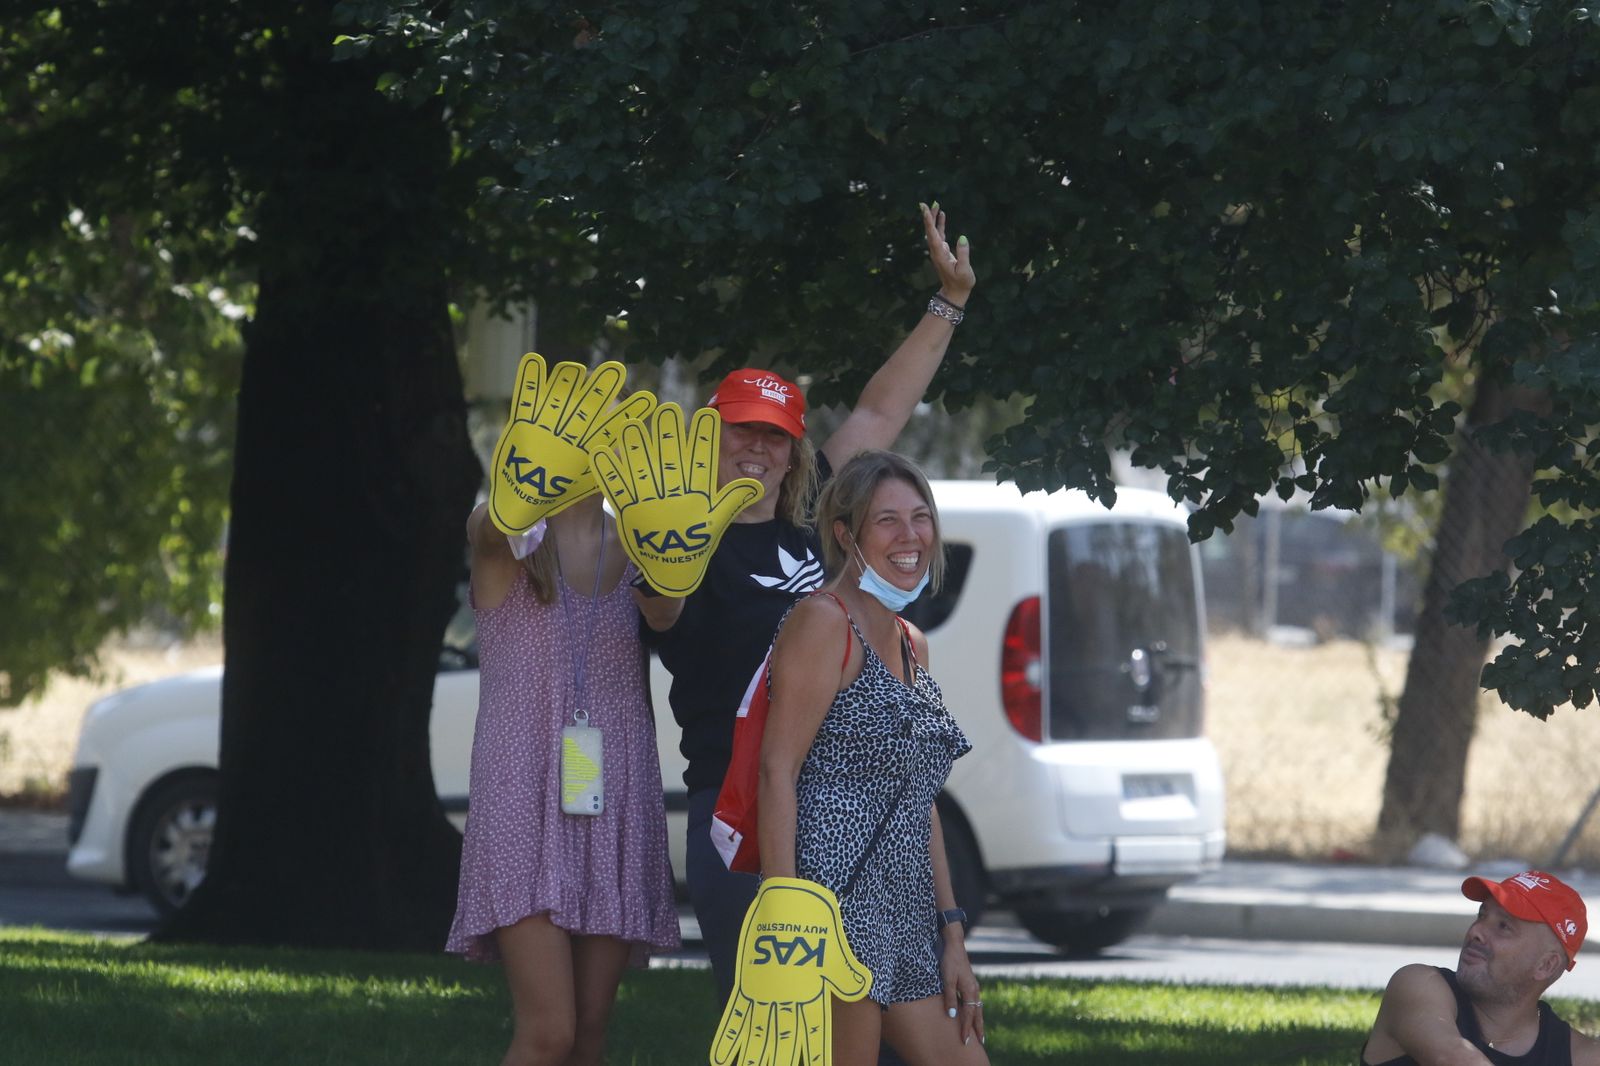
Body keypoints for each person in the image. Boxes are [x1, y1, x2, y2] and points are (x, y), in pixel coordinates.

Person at [633, 202, 976, 1007]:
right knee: (777, 1038)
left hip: (847, 806)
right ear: (707, 437)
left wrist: (948, 302)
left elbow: (880, 412)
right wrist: (660, 568)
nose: (756, 448)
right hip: (745, 812)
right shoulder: (679, 543)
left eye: (773, 436)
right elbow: (660, 613)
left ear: (793, 452)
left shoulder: (812, 524)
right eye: (739, 432)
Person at [756, 450, 987, 1064]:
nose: (910, 536)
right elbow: (777, 769)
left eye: (920, 517)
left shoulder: (914, 644)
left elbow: (919, 798)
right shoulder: (822, 622)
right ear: (845, 535)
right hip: (831, 897)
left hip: (908, 906)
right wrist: (786, 916)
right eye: (887, 520)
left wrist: (953, 935)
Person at [446, 484, 681, 1066]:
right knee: (549, 1033)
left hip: (614, 796)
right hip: (521, 799)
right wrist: (531, 475)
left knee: (590, 1035)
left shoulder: (638, 542)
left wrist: (666, 542)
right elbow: (485, 527)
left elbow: (669, 614)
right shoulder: (511, 531)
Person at [1361, 869, 1599, 1066]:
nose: (1476, 932)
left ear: (1546, 965)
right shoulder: (1417, 984)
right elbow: (1450, 1056)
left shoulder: (1578, 1055)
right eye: (1481, 915)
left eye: (1503, 926)